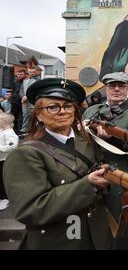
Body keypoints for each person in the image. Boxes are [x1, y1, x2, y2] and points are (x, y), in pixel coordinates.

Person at [3, 78, 111, 249]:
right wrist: (88, 185)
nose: (63, 112)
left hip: (95, 236)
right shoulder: (25, 154)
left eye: (68, 106)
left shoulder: (87, 141)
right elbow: (30, 210)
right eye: (53, 107)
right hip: (58, 240)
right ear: (38, 113)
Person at [82, 72, 128, 250]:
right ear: (106, 88)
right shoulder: (91, 111)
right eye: (112, 86)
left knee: (122, 228)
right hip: (93, 175)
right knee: (96, 225)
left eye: (121, 85)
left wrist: (111, 136)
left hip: (123, 176)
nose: (116, 89)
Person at [0, 113, 19, 211]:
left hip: (5, 160)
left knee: (3, 179)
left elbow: (12, 145)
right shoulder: (3, 131)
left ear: (4, 122)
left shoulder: (9, 133)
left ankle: (5, 199)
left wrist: (0, 148)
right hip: (1, 159)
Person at [19, 65, 41, 134]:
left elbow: (36, 91)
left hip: (33, 101)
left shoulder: (39, 81)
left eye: (33, 72)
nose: (31, 73)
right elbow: (21, 90)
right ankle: (24, 129)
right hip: (25, 101)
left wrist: (27, 96)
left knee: (34, 115)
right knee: (25, 115)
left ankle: (35, 130)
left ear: (37, 72)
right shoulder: (25, 80)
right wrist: (22, 96)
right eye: (30, 72)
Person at [11, 69, 25, 134]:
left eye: (21, 74)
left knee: (22, 117)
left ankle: (21, 130)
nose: (19, 76)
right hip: (14, 102)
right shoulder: (14, 82)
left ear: (24, 74)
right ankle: (14, 130)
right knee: (14, 117)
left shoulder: (25, 82)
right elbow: (13, 91)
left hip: (22, 102)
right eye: (18, 74)